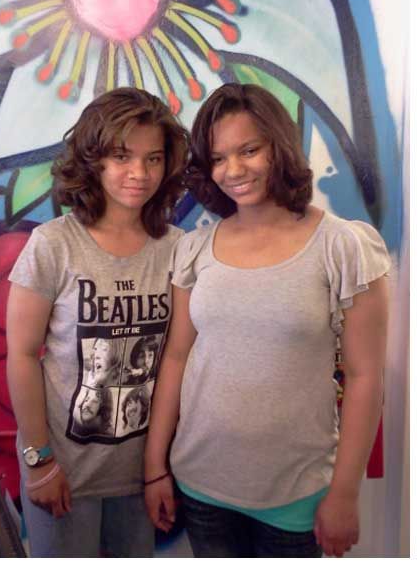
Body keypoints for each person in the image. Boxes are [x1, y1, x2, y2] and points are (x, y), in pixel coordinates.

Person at [144, 83, 389, 558]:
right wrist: (155, 467)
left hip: (297, 493)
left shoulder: (343, 246)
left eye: (249, 150)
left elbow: (364, 377)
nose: (233, 170)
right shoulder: (194, 249)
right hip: (200, 485)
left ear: (279, 145)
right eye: (218, 158)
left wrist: (344, 494)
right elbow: (175, 358)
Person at [6, 87, 188, 557]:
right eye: (122, 156)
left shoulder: (177, 247)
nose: (139, 173)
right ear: (94, 159)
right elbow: (22, 355)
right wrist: (39, 461)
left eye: (153, 159)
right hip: (63, 474)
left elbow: (176, 358)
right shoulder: (53, 244)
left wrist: (158, 469)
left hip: (141, 476)